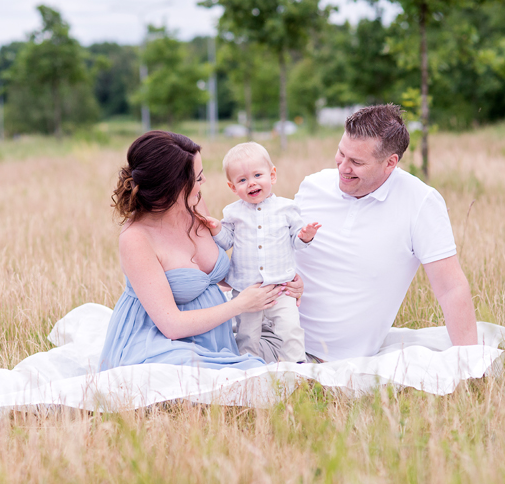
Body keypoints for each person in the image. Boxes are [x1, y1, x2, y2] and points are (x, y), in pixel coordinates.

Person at [291, 104, 479, 362]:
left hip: (340, 359)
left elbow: (451, 288)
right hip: (277, 337)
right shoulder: (313, 186)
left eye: (356, 162)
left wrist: (469, 363)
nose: (343, 167)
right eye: (341, 153)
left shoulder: (420, 202)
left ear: (390, 163)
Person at [98, 130, 285, 371]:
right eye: (197, 178)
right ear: (172, 186)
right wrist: (240, 305)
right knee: (197, 373)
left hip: (214, 337)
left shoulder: (194, 204)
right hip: (159, 340)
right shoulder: (136, 238)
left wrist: (282, 278)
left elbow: (226, 279)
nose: (203, 182)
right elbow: (171, 325)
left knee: (281, 344)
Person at [203, 142, 321, 363]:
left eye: (258, 175)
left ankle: (295, 365)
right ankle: (250, 365)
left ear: (272, 175)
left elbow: (297, 242)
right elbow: (226, 242)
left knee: (290, 328)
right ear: (232, 187)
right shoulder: (233, 212)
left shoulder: (287, 208)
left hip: (281, 287)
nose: (252, 183)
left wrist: (305, 235)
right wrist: (217, 229)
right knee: (247, 333)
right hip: (246, 289)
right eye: (242, 180)